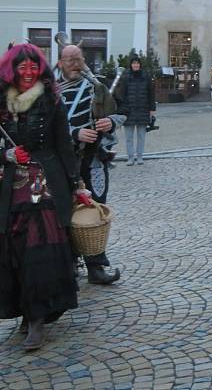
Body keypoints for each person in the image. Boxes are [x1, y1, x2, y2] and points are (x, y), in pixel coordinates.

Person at [0, 44, 89, 351]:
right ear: (12, 70)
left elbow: (64, 145)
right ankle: (25, 313)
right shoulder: (1, 101)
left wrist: (78, 185)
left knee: (40, 254)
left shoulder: (51, 99)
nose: (27, 73)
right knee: (15, 253)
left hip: (46, 188)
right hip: (9, 189)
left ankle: (38, 319)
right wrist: (7, 153)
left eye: (32, 68)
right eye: (21, 68)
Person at [57, 44, 123, 285]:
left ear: (84, 60)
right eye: (69, 59)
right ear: (60, 62)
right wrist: (75, 133)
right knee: (64, 213)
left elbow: (120, 110)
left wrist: (111, 122)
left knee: (94, 210)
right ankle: (69, 265)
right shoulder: (49, 90)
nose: (74, 63)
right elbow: (46, 126)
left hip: (93, 160)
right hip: (62, 162)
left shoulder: (97, 85)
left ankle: (96, 266)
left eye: (78, 58)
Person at [114, 55, 156, 165]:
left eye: (137, 63)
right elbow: (120, 94)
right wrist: (120, 109)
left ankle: (140, 156)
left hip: (143, 109)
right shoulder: (125, 76)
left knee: (141, 136)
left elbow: (151, 93)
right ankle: (130, 157)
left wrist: (152, 109)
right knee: (129, 137)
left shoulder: (146, 75)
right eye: (134, 63)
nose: (136, 65)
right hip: (129, 110)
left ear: (140, 64)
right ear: (131, 64)